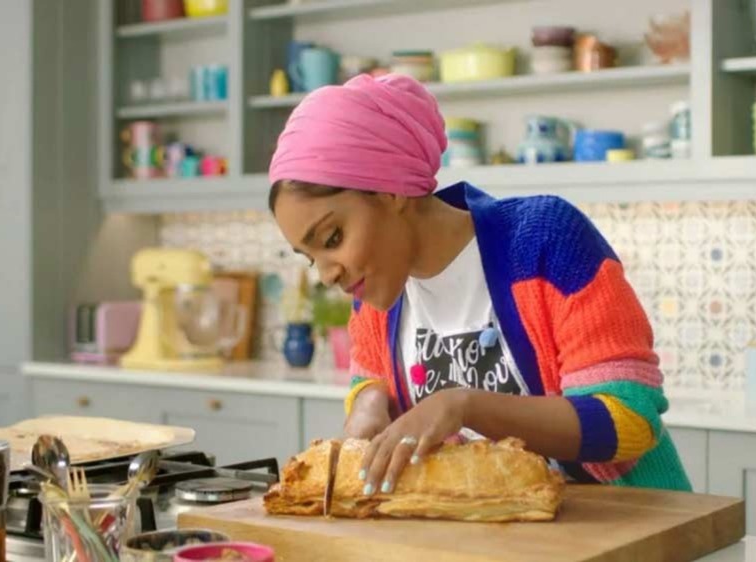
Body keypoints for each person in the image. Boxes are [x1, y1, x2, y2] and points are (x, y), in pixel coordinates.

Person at [267, 73, 690, 498]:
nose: (326, 274)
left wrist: (463, 405)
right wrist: (369, 405)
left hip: (632, 526)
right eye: (311, 257)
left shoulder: (545, 240)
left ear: (389, 192)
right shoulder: (377, 290)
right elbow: (371, 377)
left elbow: (629, 418)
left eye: (332, 239)